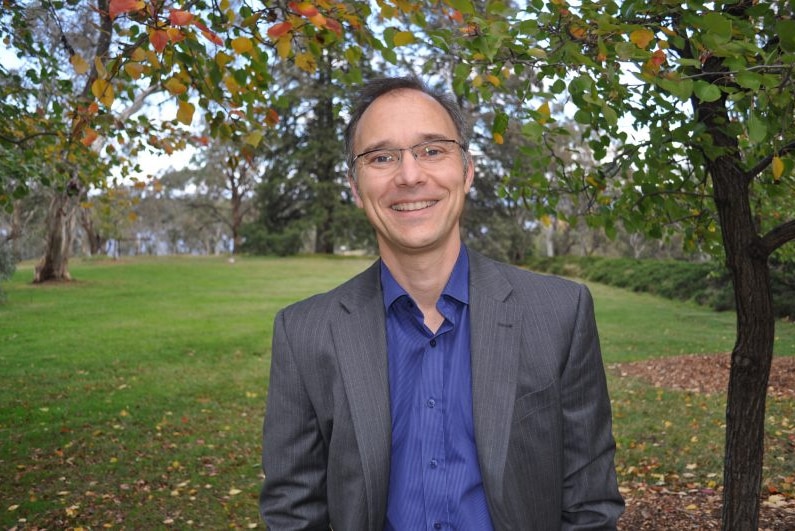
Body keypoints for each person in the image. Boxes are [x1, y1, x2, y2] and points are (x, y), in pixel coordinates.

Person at [260, 76, 624, 530]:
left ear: (467, 170)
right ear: (355, 188)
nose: (410, 175)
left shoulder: (559, 314)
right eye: (381, 157)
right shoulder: (304, 333)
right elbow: (294, 513)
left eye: (432, 150)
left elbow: (589, 505)